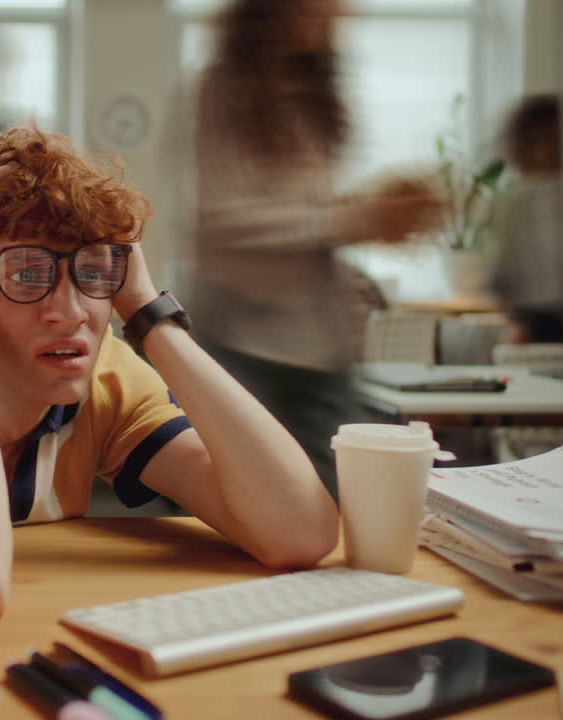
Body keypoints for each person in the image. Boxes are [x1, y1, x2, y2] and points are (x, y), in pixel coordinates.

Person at [0, 126, 339, 621]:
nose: (71, 311)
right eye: (26, 272)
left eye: (95, 270)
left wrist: (147, 313)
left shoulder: (104, 380)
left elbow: (299, 532)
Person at [186, 0, 443, 497]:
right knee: (247, 507)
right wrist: (357, 218)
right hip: (244, 349)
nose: (343, 14)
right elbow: (223, 222)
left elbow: (302, 216)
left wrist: (371, 212)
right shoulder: (222, 90)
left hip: (320, 350)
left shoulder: (312, 95)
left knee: (339, 504)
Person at [490, 94, 563, 344]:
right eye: (534, 141)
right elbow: (503, 269)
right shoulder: (513, 201)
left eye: (553, 140)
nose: (545, 150)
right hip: (531, 317)